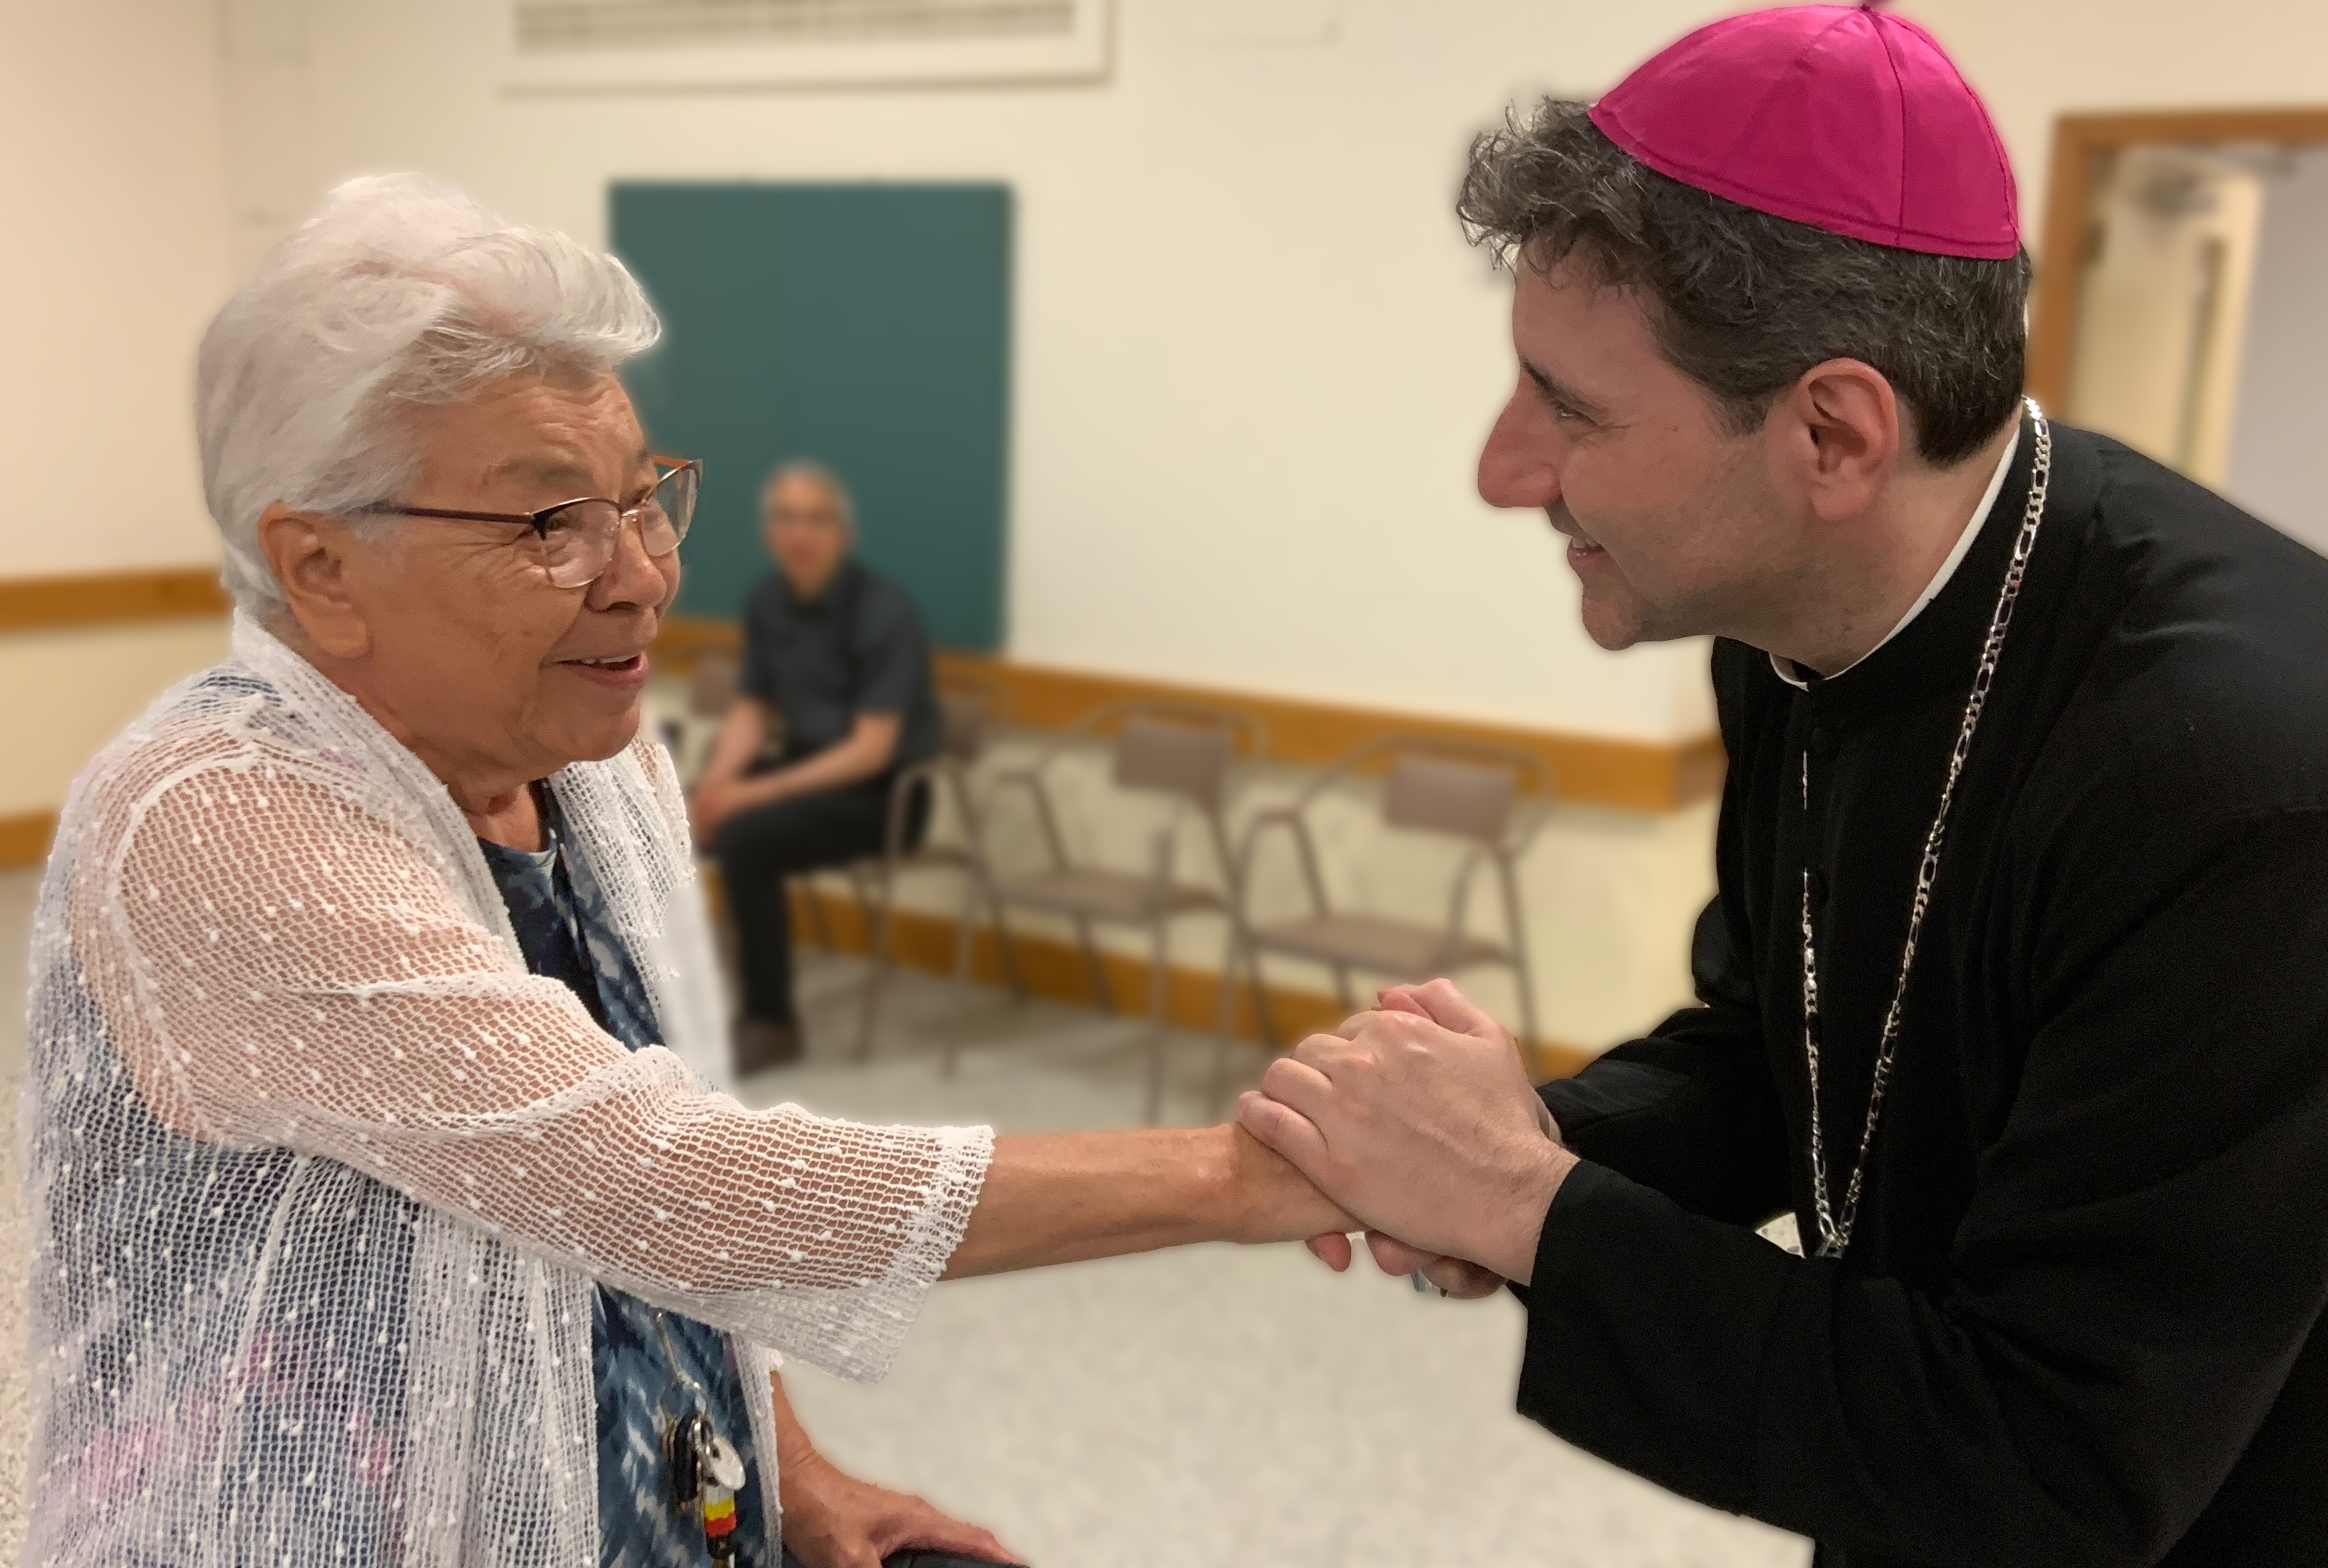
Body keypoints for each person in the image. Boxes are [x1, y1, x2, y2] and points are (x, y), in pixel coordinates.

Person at [24, 173, 1350, 1568]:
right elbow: (659, 1176)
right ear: (322, 567)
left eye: (642, 497)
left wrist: (795, 1472)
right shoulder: (211, 816)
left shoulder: (591, 750)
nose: (641, 574)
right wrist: (1234, 1176)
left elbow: (662, 1166)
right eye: (548, 523)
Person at [1241, 8, 2328, 1567]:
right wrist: (1519, 1139)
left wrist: (1531, 1206)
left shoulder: (2248, 782)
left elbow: (2052, 1459)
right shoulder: (1793, 617)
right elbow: (1787, 1046)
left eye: (1572, 406)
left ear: (1830, 433)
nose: (1500, 466)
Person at [689, 464, 940, 1075]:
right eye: (786, 519)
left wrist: (751, 796)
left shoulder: (883, 610)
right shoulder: (769, 601)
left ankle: (771, 1022)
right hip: (805, 771)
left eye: (816, 519)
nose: (800, 533)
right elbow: (752, 711)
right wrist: (715, 790)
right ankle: (675, 1000)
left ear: (842, 532)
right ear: (770, 532)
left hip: (884, 796)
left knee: (748, 839)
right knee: (678, 817)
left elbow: (870, 751)